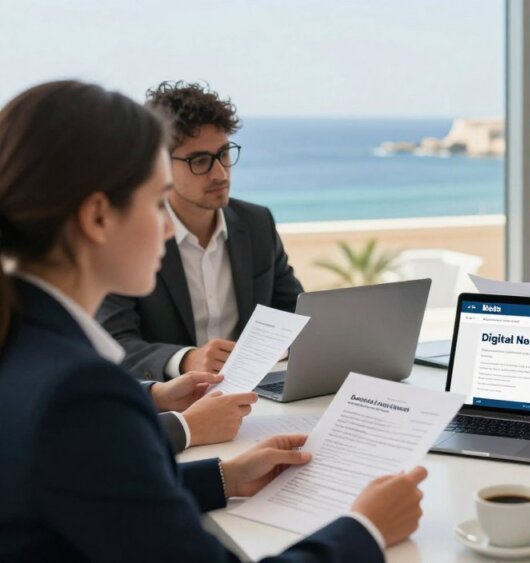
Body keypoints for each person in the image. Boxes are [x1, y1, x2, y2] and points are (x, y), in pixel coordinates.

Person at [0, 80, 425, 562]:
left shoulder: (26, 345)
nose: (164, 226)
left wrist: (225, 477)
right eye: (154, 199)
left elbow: (93, 487)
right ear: (98, 217)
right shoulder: (81, 391)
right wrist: (365, 528)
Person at [98, 80, 304, 383]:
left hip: (255, 393)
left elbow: (294, 314)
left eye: (223, 154)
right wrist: (185, 360)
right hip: (171, 404)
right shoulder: (126, 237)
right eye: (200, 161)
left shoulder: (256, 222)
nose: (220, 173)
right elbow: (112, 343)